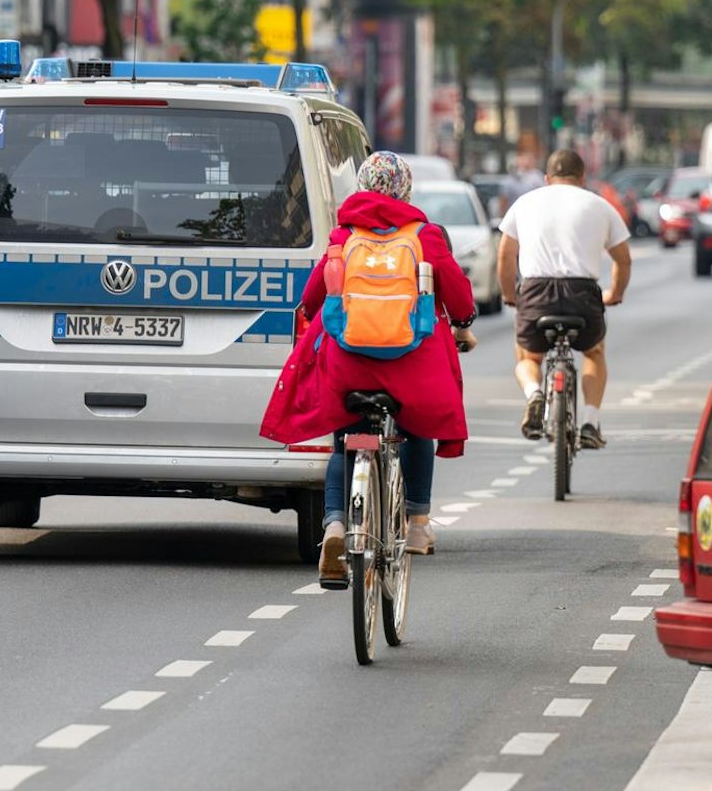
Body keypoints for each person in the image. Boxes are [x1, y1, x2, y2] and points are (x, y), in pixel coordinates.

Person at [260, 151, 478, 583]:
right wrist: (465, 320)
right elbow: (457, 294)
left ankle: (337, 525)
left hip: (351, 361)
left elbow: (312, 295)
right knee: (416, 423)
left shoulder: (345, 236)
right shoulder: (424, 236)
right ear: (405, 189)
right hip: (408, 362)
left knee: (345, 438)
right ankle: (417, 523)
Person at [499, 149, 632, 451]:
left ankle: (534, 394)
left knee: (528, 358)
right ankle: (589, 422)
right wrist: (616, 294)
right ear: (582, 178)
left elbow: (506, 255)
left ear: (547, 179)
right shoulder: (600, 206)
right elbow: (624, 261)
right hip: (582, 294)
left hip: (535, 292)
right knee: (594, 353)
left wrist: (510, 296)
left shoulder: (525, 203)